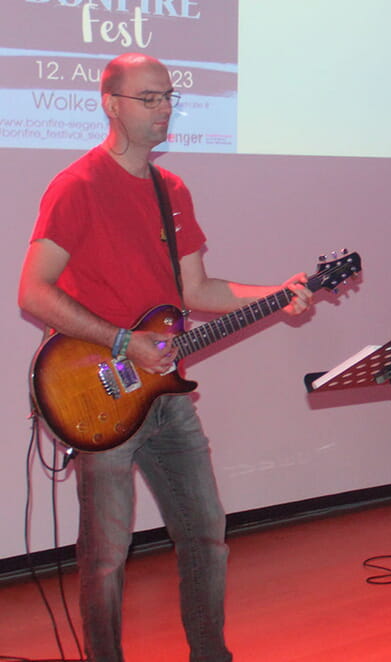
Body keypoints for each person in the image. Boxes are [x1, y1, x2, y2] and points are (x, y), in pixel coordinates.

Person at [17, 53, 314, 662]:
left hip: (167, 397)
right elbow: (32, 290)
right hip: (98, 394)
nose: (164, 109)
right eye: (148, 98)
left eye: (169, 97)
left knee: (206, 532)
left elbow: (196, 292)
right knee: (104, 558)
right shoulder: (77, 186)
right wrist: (125, 342)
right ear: (112, 104)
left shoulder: (170, 189)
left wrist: (277, 295)